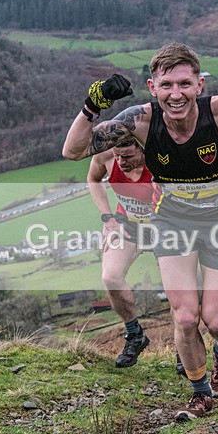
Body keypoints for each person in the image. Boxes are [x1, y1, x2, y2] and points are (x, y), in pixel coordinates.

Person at [63, 42, 218, 421]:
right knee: (184, 317)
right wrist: (92, 104)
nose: (175, 94)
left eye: (183, 84)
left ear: (199, 84)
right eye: (166, 86)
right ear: (152, 86)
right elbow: (74, 151)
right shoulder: (139, 121)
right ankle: (200, 391)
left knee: (216, 320)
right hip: (172, 221)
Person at [87, 129, 154, 368]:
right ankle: (135, 335)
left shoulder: (161, 158)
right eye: (118, 156)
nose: (121, 162)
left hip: (165, 228)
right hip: (128, 226)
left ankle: (184, 346)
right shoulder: (107, 155)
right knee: (110, 277)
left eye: (127, 157)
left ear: (142, 150)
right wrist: (108, 218)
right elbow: (93, 179)